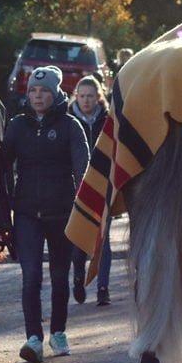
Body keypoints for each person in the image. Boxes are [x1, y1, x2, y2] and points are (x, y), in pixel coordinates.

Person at [0, 65, 89, 363]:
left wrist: (84, 207)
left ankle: (58, 332)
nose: (38, 96)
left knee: (60, 277)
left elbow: (83, 169)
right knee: (31, 277)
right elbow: (1, 164)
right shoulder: (18, 126)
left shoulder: (70, 126)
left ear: (55, 94)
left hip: (62, 213)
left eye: (44, 91)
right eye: (33, 91)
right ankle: (33, 339)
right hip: (26, 213)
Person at [68, 75, 112, 306]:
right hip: (76, 187)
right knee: (79, 237)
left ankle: (103, 288)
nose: (86, 100)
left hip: (104, 185)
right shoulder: (68, 119)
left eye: (90, 96)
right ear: (76, 97)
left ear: (98, 97)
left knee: (103, 240)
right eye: (82, 96)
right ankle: (78, 275)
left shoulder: (108, 119)